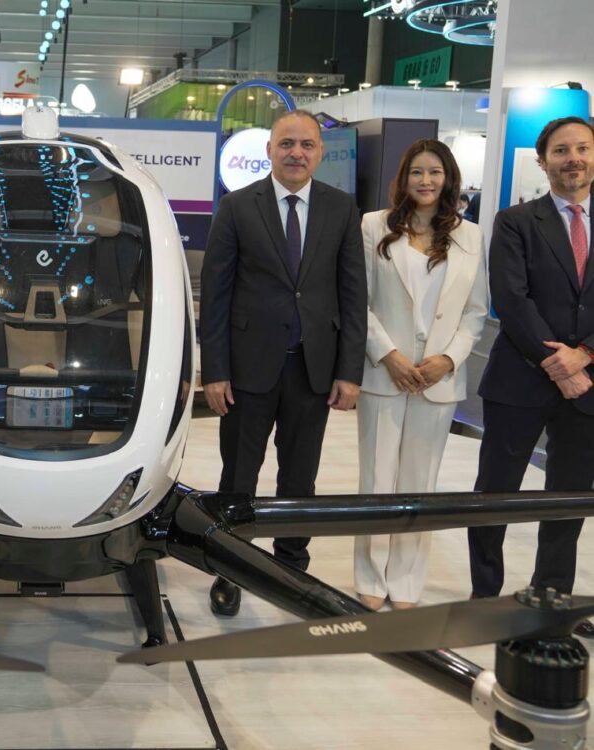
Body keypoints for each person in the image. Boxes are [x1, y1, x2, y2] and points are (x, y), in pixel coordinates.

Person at [199, 110, 367, 616]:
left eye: (307, 144)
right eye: (287, 143)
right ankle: (231, 570)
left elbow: (352, 295)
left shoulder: (341, 208)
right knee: (238, 477)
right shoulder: (237, 206)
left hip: (312, 370)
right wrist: (214, 371)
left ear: (320, 152)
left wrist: (349, 371)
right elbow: (216, 295)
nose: (297, 153)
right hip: (247, 371)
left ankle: (293, 572)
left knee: (300, 480)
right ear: (269, 150)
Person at [470, 116, 594, 638]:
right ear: (543, 162)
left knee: (569, 497)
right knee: (495, 492)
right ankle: (485, 598)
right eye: (561, 151)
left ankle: (552, 597)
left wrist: (584, 354)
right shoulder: (516, 221)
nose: (573, 159)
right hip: (520, 379)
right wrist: (560, 364)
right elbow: (511, 299)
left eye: (583, 148)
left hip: (588, 384)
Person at [354, 140, 488, 611]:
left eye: (435, 172)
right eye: (417, 172)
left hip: (438, 380)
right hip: (384, 373)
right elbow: (359, 302)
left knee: (419, 482)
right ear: (404, 178)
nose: (426, 181)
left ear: (449, 179)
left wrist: (447, 359)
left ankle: (407, 581)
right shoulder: (373, 225)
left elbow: (476, 312)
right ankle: (371, 577)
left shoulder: (471, 236)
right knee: (376, 478)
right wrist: (388, 354)